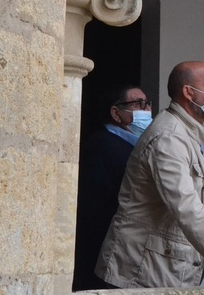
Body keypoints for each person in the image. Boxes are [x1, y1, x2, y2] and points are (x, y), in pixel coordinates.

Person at [95, 61, 204, 287]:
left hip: (164, 267)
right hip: (142, 272)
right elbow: (186, 207)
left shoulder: (192, 134)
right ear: (188, 92)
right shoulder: (169, 137)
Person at [73, 85, 152, 290]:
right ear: (115, 113)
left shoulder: (140, 145)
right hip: (105, 249)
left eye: (147, 103)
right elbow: (93, 206)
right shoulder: (102, 146)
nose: (145, 109)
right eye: (137, 103)